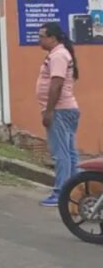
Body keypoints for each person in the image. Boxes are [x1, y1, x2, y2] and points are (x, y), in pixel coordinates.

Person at [36, 22, 81, 207]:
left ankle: (61, 192)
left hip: (60, 110)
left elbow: (57, 84)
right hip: (66, 109)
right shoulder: (58, 54)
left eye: (42, 36)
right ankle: (75, 191)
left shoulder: (59, 56)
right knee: (70, 153)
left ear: (53, 38)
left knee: (61, 153)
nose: (39, 40)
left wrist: (49, 111)